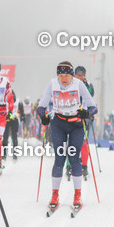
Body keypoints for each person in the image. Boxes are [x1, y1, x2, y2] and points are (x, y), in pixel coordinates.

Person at [37, 61, 97, 211]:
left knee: (74, 157)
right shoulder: (52, 84)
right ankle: (54, 195)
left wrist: (87, 113)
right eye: (61, 76)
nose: (63, 79)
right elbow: (41, 107)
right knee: (59, 159)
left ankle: (77, 195)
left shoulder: (79, 84)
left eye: (66, 76)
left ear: (72, 76)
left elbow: (93, 107)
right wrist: (43, 117)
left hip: (76, 125)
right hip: (59, 124)